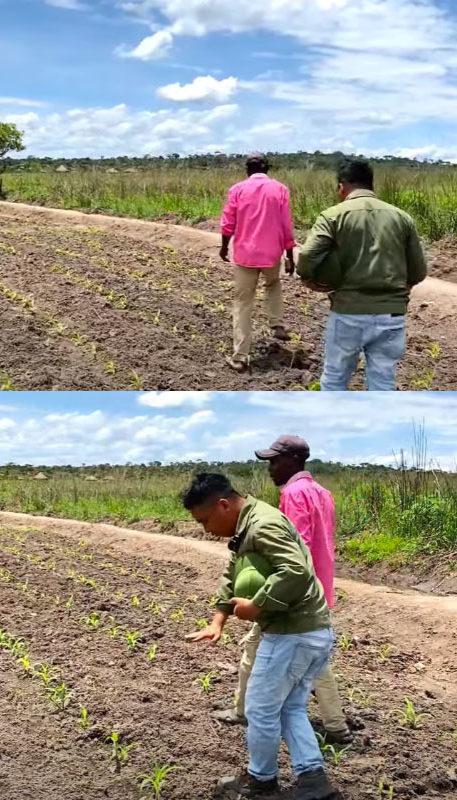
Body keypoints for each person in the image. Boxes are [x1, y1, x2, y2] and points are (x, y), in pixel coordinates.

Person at [183, 473, 337, 800]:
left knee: (260, 710)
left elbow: (295, 570)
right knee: (290, 708)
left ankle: (261, 783)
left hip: (291, 635)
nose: (205, 529)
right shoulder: (248, 524)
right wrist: (218, 620)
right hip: (310, 631)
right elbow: (232, 572)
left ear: (223, 505)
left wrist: (257, 605)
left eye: (205, 520)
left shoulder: (262, 525)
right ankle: (314, 782)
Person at [211, 436, 351, 745]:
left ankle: (246, 712)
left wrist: (263, 595)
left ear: (293, 461)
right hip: (318, 589)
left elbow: (291, 551)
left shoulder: (293, 494)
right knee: (313, 661)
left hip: (292, 594)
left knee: (263, 652)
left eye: (275, 462)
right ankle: (335, 725)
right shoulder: (323, 493)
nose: (270, 468)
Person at [297, 157, 427, 391]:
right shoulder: (402, 217)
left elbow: (308, 256)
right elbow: (418, 271)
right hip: (392, 315)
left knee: (335, 378)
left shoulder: (332, 215)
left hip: (348, 312)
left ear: (341, 187)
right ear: (371, 185)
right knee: (383, 381)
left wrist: (310, 280)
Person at [220, 153, 296, 373]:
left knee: (243, 303)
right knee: (273, 284)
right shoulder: (280, 189)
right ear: (267, 169)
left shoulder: (237, 190)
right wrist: (289, 255)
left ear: (247, 170)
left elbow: (228, 222)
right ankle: (277, 323)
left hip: (245, 255)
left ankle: (240, 357)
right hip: (271, 253)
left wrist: (225, 246)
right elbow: (285, 224)